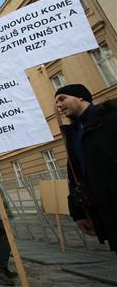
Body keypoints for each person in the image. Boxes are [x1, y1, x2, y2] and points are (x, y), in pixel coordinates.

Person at [54, 83, 117, 254]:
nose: (58, 105)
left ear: (80, 96)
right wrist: (79, 213)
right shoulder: (73, 134)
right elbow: (75, 175)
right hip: (107, 212)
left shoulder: (110, 119)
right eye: (56, 102)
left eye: (62, 99)